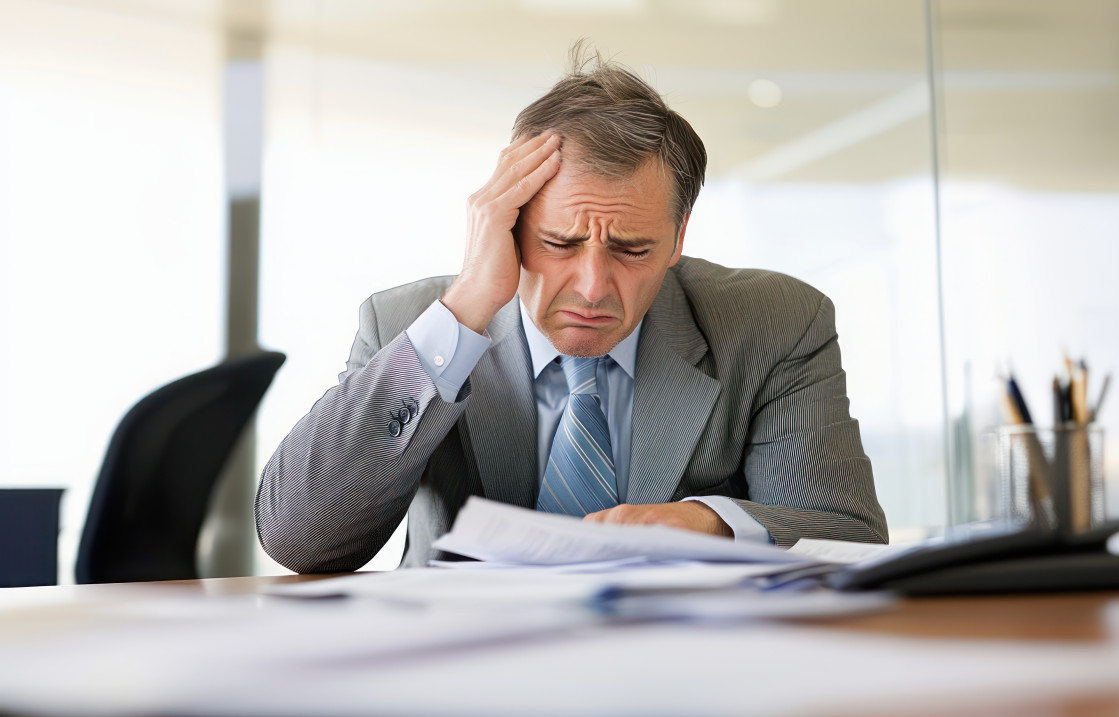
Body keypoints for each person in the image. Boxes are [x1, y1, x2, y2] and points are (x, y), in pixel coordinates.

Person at [256, 46, 886, 574]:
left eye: (633, 249)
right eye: (559, 243)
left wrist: (710, 525)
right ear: (509, 225)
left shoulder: (773, 323)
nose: (592, 286)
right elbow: (300, 538)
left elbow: (845, 534)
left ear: (679, 237)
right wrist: (468, 306)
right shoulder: (410, 328)